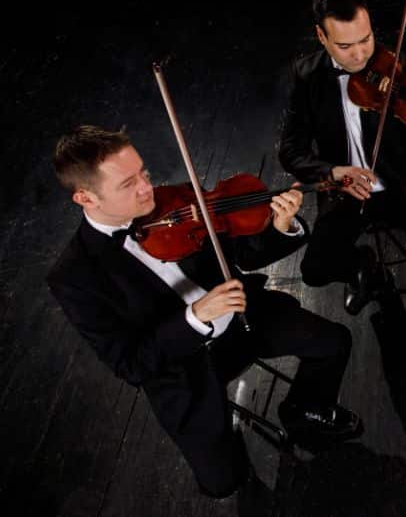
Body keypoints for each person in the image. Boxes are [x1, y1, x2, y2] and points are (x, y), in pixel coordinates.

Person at [47, 126, 360, 501]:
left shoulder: (173, 201)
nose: (148, 187)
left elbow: (242, 255)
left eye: (143, 172)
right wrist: (195, 316)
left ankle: (305, 407)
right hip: (183, 373)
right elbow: (131, 364)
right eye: (128, 184)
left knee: (334, 342)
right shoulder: (73, 277)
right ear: (85, 197)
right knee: (222, 483)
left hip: (243, 319)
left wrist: (281, 227)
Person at [279, 0, 406, 315]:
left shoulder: (404, 68)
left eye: (366, 40)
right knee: (315, 270)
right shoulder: (308, 76)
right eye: (345, 46)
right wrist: (332, 172)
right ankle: (364, 268)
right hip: (346, 191)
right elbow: (290, 150)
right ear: (321, 37)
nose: (360, 55)